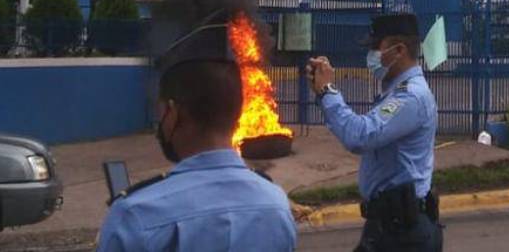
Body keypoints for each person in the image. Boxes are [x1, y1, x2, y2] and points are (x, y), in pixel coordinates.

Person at [96, 18, 296, 252]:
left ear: (172, 113)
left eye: (162, 113)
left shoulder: (134, 217)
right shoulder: (277, 206)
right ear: (238, 112)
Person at [307, 13, 441, 251]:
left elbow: (360, 136)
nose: (371, 57)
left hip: (402, 235)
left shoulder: (410, 97)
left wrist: (328, 91)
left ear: (399, 50)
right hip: (389, 227)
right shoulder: (396, 92)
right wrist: (323, 93)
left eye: (376, 48)